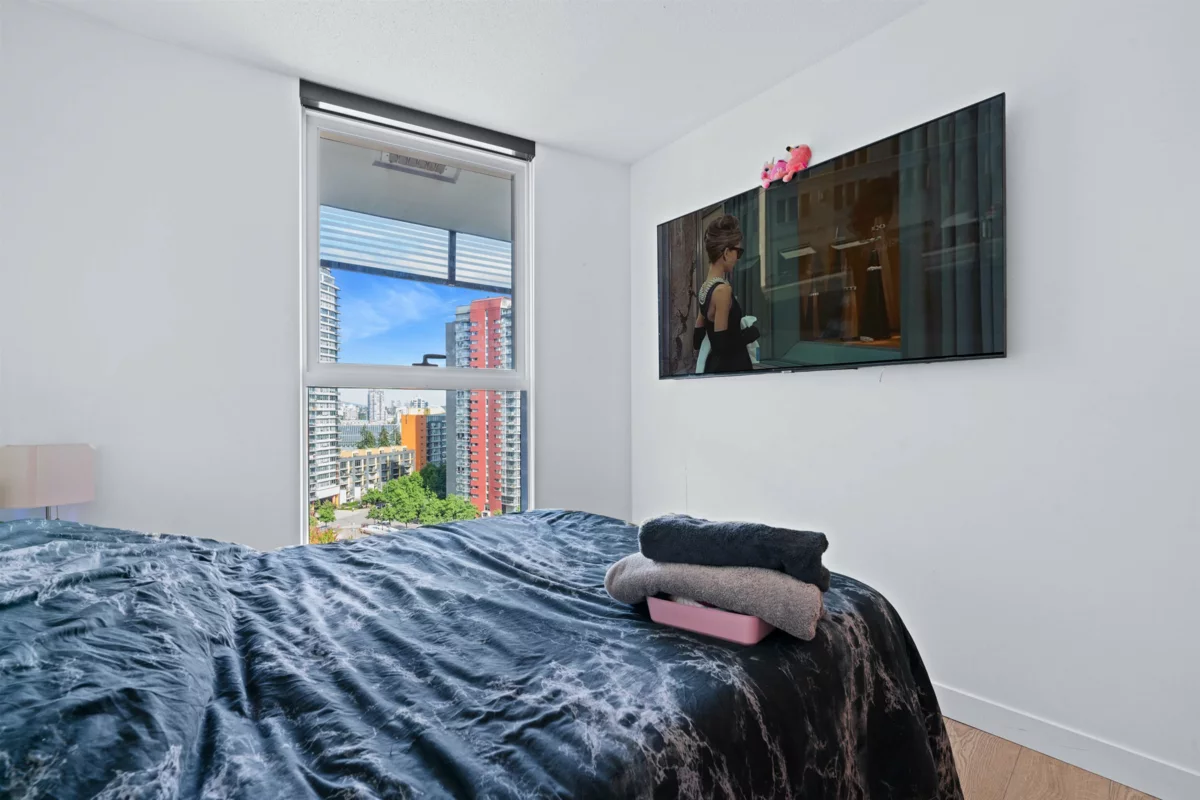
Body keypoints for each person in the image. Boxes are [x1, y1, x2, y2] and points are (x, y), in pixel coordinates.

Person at [693, 215, 759, 373]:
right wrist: (749, 334)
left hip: (715, 369)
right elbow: (721, 347)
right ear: (727, 252)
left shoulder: (705, 289)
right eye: (738, 251)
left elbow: (697, 340)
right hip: (732, 370)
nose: (738, 258)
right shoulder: (723, 290)